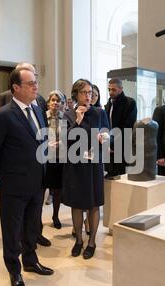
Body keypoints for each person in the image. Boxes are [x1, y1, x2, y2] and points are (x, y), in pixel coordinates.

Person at [0, 68, 54, 286]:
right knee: (12, 230)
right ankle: (14, 270)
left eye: (36, 82)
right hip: (13, 184)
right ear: (16, 87)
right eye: (31, 83)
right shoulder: (3, 115)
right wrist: (7, 174)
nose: (36, 86)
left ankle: (31, 261)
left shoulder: (38, 110)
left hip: (37, 182)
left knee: (31, 226)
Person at [62, 79, 110, 260]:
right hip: (75, 164)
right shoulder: (68, 114)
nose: (88, 96)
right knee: (77, 203)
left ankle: (91, 242)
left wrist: (104, 138)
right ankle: (79, 241)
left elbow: (109, 135)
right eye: (84, 92)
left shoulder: (99, 112)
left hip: (93, 164)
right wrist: (78, 121)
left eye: (90, 92)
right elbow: (66, 140)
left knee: (94, 203)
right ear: (76, 95)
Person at [104, 78, 137, 179]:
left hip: (121, 145)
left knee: (120, 176)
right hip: (109, 144)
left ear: (121, 89)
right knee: (109, 174)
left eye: (113, 90)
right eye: (109, 89)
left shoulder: (130, 103)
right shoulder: (108, 104)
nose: (110, 92)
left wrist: (113, 143)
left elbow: (127, 127)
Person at [44, 90, 66, 229]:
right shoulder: (41, 116)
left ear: (62, 104)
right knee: (41, 189)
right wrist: (46, 144)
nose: (55, 103)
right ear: (48, 103)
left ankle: (56, 216)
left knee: (57, 190)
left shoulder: (65, 118)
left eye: (58, 101)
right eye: (53, 100)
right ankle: (36, 218)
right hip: (44, 158)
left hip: (59, 158)